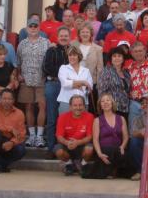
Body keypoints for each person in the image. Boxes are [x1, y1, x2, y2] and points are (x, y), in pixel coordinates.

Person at [17, 18, 50, 148]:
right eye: (31, 26)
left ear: (39, 28)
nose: (33, 28)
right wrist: (19, 74)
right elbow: (18, 62)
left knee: (42, 106)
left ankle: (40, 136)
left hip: (41, 79)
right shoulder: (22, 44)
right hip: (26, 80)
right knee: (29, 107)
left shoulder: (46, 42)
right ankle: (31, 135)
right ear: (27, 28)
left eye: (35, 26)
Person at [42, 27, 70, 156]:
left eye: (66, 36)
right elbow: (47, 67)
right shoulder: (51, 50)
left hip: (68, 87)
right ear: (57, 38)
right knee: (52, 117)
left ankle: (64, 148)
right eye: (61, 36)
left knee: (65, 117)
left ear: (69, 37)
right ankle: (51, 148)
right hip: (53, 84)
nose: (64, 38)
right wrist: (63, 74)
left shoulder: (73, 52)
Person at [0, 89, 26, 174]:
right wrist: (10, 128)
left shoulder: (19, 113)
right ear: (0, 99)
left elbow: (21, 134)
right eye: (4, 98)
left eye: (9, 99)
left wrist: (12, 143)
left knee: (21, 150)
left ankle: (0, 165)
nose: (6, 101)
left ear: (13, 100)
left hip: (9, 141)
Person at [92, 93, 130, 178]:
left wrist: (122, 146)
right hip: (104, 151)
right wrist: (99, 154)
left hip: (118, 149)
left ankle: (114, 170)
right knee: (108, 151)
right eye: (103, 101)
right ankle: (111, 170)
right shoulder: (97, 120)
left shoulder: (121, 119)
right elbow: (95, 140)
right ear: (100, 106)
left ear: (112, 103)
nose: (105, 103)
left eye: (108, 100)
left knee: (122, 155)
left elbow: (126, 136)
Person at [54, 95, 94, 176]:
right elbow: (59, 137)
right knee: (59, 151)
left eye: (80, 105)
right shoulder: (62, 117)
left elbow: (90, 136)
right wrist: (67, 143)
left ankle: (83, 165)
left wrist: (78, 142)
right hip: (67, 145)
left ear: (84, 106)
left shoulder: (90, 116)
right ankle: (69, 164)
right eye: (75, 105)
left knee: (89, 149)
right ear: (70, 107)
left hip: (82, 145)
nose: (78, 108)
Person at [98, 47, 131, 119]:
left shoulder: (126, 72)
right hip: (112, 109)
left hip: (125, 108)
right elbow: (101, 92)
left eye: (119, 56)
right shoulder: (106, 71)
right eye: (114, 56)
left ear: (123, 58)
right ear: (111, 58)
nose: (117, 58)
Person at [57, 45, 93, 113]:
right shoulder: (63, 68)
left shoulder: (86, 70)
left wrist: (72, 83)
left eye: (74, 55)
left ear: (79, 56)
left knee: (82, 124)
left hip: (82, 104)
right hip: (66, 102)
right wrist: (83, 82)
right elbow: (65, 83)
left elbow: (89, 87)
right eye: (70, 55)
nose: (72, 57)